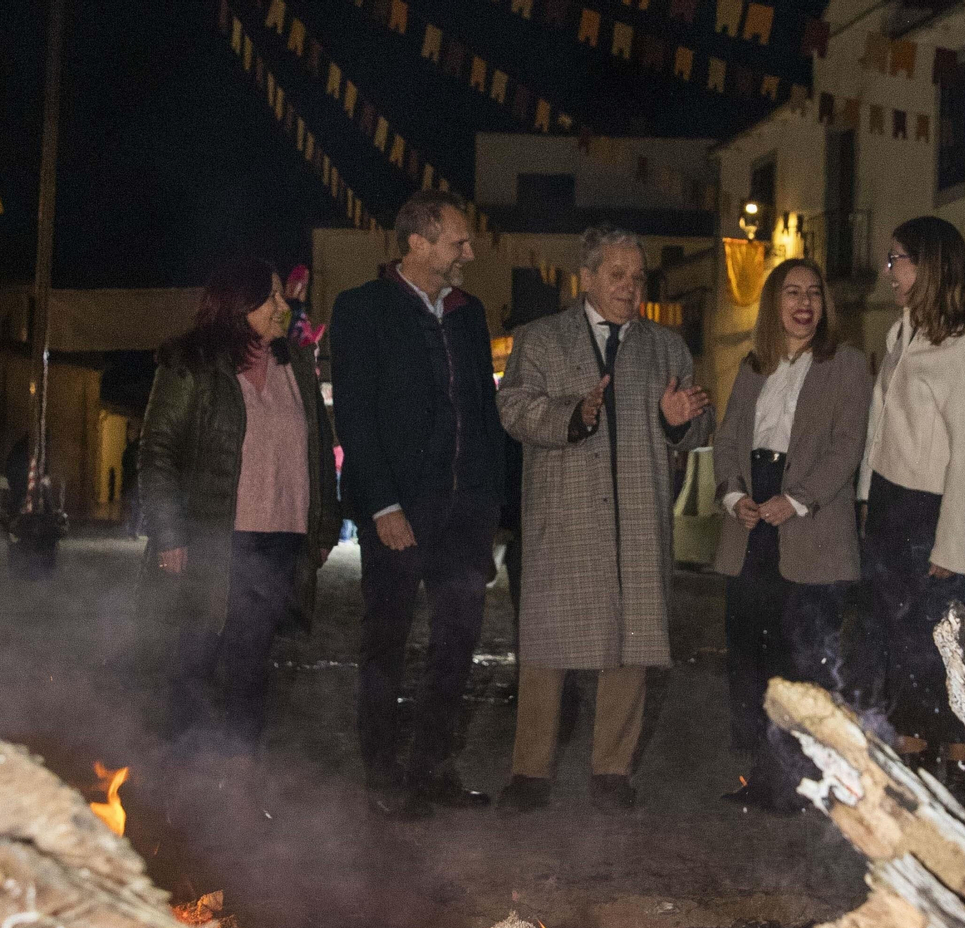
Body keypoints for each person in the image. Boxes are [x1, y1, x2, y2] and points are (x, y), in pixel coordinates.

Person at [496, 224, 713, 812]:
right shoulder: (539, 341)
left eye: (637, 276)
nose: (630, 287)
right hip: (563, 517)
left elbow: (699, 427)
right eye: (616, 276)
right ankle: (530, 772)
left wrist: (676, 419)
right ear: (585, 278)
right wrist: (574, 414)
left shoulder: (667, 347)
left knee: (632, 643)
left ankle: (612, 772)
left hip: (639, 517)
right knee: (546, 647)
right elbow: (513, 409)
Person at [330, 190, 510, 818]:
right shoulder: (362, 309)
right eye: (457, 241)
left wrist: (493, 503)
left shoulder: (467, 312)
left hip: (465, 512)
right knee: (387, 640)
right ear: (417, 242)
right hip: (400, 511)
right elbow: (355, 415)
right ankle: (381, 774)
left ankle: (433, 767)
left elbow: (481, 412)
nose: (468, 251)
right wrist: (381, 506)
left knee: (456, 643)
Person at [137, 256, 339, 764]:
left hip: (280, 543)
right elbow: (157, 450)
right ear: (236, 305)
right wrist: (168, 535)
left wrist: (322, 526)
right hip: (214, 539)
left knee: (250, 669)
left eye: (280, 295)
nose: (283, 306)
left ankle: (236, 789)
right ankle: (182, 785)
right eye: (269, 298)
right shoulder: (192, 363)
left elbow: (319, 447)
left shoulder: (297, 364)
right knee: (195, 662)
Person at [855, 216, 965, 804]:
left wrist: (956, 548)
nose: (890, 272)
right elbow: (883, 430)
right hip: (896, 511)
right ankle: (915, 783)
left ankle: (963, 791)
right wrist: (869, 504)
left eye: (897, 259)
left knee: (945, 658)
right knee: (902, 652)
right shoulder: (905, 333)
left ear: (931, 265)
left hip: (936, 517)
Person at [712, 257, 870, 813]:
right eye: (791, 293)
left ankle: (803, 783)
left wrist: (797, 499)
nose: (803, 304)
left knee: (801, 665)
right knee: (749, 661)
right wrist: (734, 495)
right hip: (752, 522)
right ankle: (760, 776)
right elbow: (730, 436)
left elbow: (848, 445)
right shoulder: (752, 366)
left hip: (811, 529)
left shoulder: (847, 364)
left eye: (814, 294)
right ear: (773, 305)